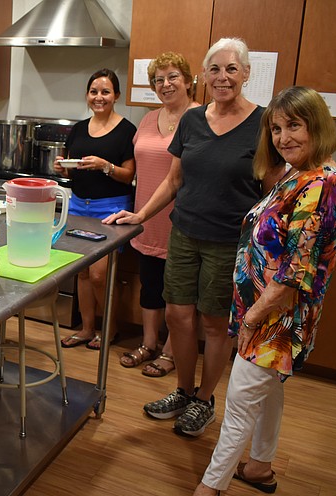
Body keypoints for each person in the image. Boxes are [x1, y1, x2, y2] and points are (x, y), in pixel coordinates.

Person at [173, 85, 336, 496]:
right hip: (262, 311)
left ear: (317, 126)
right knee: (268, 390)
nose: (284, 136)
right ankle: (259, 467)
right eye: (276, 127)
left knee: (239, 403)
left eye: (294, 125)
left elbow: (294, 273)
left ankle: (208, 494)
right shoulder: (296, 174)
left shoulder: (323, 185)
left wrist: (251, 318)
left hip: (275, 320)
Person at [106, 38, 268, 436]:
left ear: (246, 74)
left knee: (213, 324)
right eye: (215, 69)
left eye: (232, 69)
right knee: (178, 315)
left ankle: (204, 399)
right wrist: (141, 214)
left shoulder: (262, 123)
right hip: (185, 232)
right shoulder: (194, 122)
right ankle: (182, 390)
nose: (223, 77)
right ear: (205, 76)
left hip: (228, 240)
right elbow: (174, 179)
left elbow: (274, 185)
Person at [119, 52, 199, 377]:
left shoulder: (201, 118)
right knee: (150, 286)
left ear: (188, 80)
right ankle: (149, 343)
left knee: (179, 295)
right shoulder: (148, 119)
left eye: (172, 77)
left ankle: (170, 352)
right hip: (147, 219)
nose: (165, 85)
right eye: (158, 79)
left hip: (183, 224)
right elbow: (137, 167)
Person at [54, 69, 136, 351]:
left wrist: (106, 166)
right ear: (87, 95)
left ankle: (109, 328)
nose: (99, 97)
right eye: (94, 92)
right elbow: (75, 170)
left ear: (116, 96)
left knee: (101, 274)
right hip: (79, 205)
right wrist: (62, 167)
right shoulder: (78, 129)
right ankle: (87, 328)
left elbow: (128, 175)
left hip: (111, 209)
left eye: (105, 92)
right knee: (83, 273)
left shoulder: (127, 131)